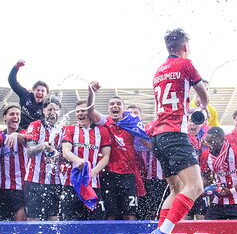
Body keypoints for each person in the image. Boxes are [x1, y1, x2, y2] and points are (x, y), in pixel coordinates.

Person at [147, 28, 211, 234]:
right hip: (175, 134)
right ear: (185, 46)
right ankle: (163, 232)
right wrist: (202, 105)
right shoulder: (186, 64)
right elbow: (203, 96)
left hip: (159, 137)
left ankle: (163, 231)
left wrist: (189, 106)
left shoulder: (158, 71)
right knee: (195, 187)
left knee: (176, 189)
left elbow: (174, 101)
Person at [86, 84, 145, 220]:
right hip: (108, 175)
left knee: (130, 215)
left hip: (128, 175)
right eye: (112, 104)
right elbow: (90, 112)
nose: (115, 106)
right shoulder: (105, 121)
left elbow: (147, 143)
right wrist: (91, 94)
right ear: (108, 108)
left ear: (123, 109)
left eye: (118, 104)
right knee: (110, 215)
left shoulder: (132, 125)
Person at [60, 99, 112, 221]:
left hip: (93, 184)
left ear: (89, 112)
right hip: (71, 183)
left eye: (83, 110)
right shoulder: (70, 129)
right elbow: (66, 150)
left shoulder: (102, 131)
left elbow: (106, 156)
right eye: (77, 111)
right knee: (70, 221)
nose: (80, 114)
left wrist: (93, 172)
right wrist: (77, 160)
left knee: (95, 220)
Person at [200, 126, 237, 220]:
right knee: (208, 231)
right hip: (216, 201)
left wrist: (232, 190)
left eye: (213, 142)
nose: (210, 145)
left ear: (222, 140)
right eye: (208, 142)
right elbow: (205, 176)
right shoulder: (205, 154)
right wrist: (203, 189)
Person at [23, 97, 66, 221]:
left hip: (55, 182)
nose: (53, 112)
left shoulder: (63, 129)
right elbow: (30, 152)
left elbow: (67, 156)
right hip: (34, 181)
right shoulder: (36, 125)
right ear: (43, 111)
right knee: (33, 219)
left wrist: (59, 155)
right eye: (50, 109)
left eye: (56, 110)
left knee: (54, 219)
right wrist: (43, 146)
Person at [129, 104, 167, 221]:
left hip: (158, 177)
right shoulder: (122, 131)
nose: (132, 115)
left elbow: (153, 146)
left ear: (140, 117)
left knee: (160, 208)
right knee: (143, 209)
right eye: (129, 113)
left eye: (135, 113)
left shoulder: (149, 129)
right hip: (136, 178)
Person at [0, 105, 28, 221]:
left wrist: (16, 134)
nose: (15, 116)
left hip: (20, 188)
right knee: (3, 225)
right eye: (12, 114)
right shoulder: (0, 136)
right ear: (5, 117)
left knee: (20, 223)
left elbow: (31, 138)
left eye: (17, 114)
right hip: (1, 189)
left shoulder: (24, 132)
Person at [7, 59, 50, 130]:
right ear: (33, 91)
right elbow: (12, 81)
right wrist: (17, 66)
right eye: (38, 90)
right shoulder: (25, 95)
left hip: (36, 133)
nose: (40, 92)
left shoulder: (47, 105)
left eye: (42, 91)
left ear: (46, 94)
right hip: (20, 128)